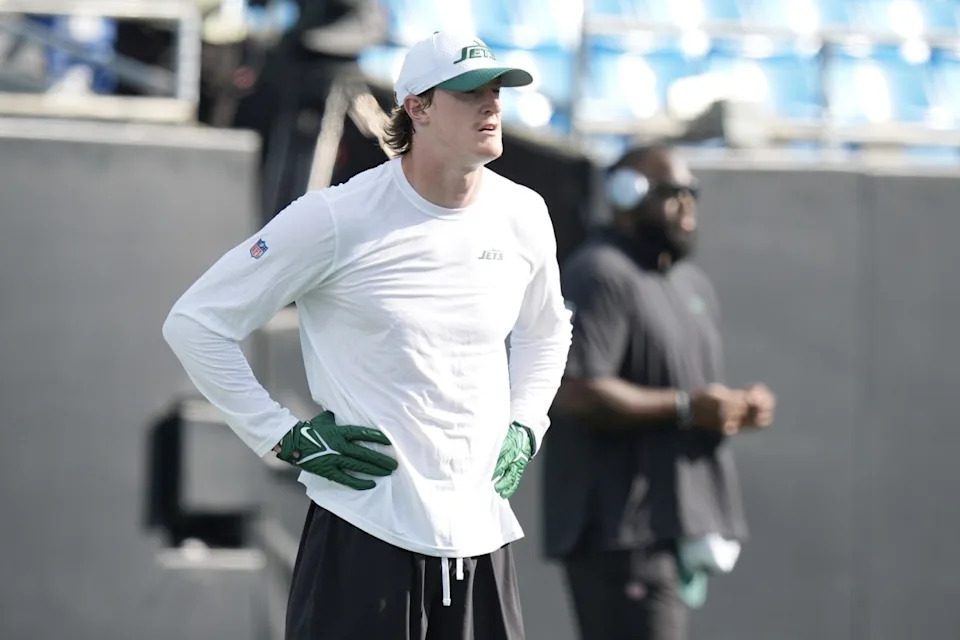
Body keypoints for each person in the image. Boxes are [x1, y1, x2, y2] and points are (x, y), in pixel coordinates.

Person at [162, 31, 572, 640]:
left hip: (483, 540)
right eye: (468, 92)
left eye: (496, 90)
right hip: (363, 539)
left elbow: (547, 331)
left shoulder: (525, 214)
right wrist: (281, 437)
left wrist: (527, 422)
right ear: (417, 107)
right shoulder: (335, 217)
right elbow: (196, 323)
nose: (491, 105)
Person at [542, 145, 776, 640]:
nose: (688, 206)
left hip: (672, 524)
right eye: (672, 193)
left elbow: (683, 391)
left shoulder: (688, 282)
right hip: (619, 528)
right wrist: (690, 408)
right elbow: (574, 391)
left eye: (693, 193)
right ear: (626, 195)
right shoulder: (599, 273)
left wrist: (732, 407)